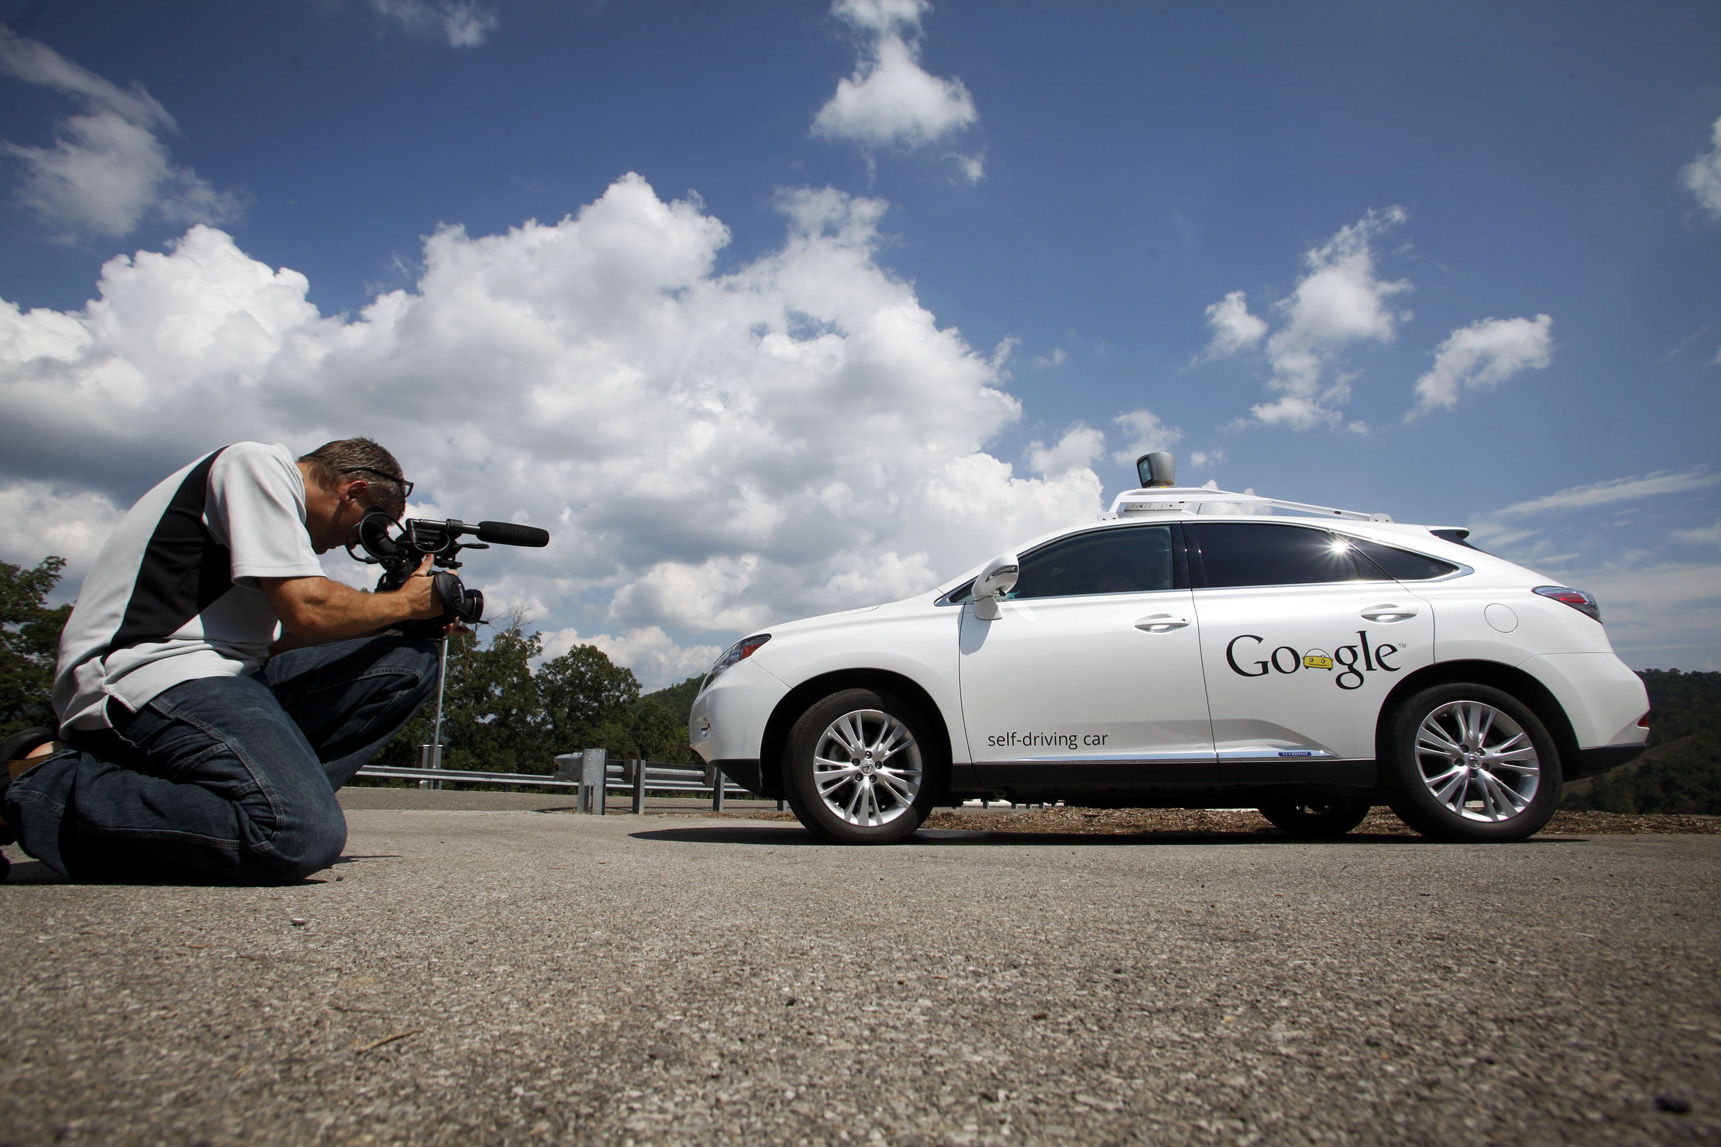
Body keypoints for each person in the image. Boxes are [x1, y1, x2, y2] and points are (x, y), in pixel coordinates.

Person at [0, 439, 447, 884]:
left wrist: (398, 623)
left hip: (222, 675)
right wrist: (407, 603)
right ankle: (39, 777)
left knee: (406, 662)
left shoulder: (262, 540)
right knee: (295, 836)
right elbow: (309, 610)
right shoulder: (255, 464)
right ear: (353, 490)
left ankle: (249, 798)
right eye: (366, 527)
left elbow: (280, 641)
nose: (355, 543)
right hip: (147, 672)